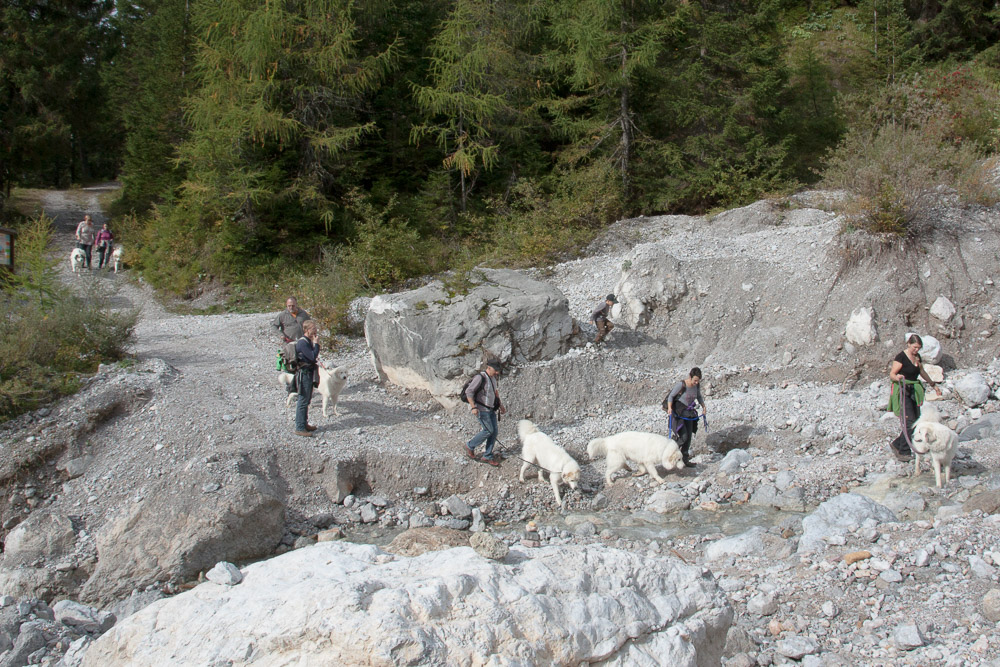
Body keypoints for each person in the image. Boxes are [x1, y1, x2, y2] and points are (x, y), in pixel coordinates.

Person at [888, 334, 941, 461]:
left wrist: (933, 385)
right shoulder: (901, 357)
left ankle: (897, 444)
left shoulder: (917, 357)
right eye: (914, 347)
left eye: (918, 348)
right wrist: (898, 378)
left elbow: (922, 372)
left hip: (913, 391)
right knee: (909, 421)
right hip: (903, 390)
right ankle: (903, 451)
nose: (916, 350)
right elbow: (892, 374)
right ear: (909, 344)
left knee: (916, 419)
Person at [464, 361, 507, 466]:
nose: (497, 372)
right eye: (495, 370)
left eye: (498, 370)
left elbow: (495, 392)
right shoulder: (480, 377)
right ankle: (470, 446)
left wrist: (500, 405)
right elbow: (469, 391)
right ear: (489, 367)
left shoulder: (493, 378)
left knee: (494, 432)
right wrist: (473, 407)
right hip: (481, 409)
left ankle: (487, 456)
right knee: (488, 430)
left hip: (491, 409)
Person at [663, 367, 707, 467]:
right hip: (679, 412)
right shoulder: (681, 385)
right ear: (690, 377)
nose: (696, 382)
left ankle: (685, 459)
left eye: (698, 381)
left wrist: (704, 407)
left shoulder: (697, 386)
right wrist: (669, 408)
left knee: (689, 437)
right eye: (695, 380)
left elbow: (699, 396)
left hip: (689, 413)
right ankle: (669, 451)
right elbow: (671, 396)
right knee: (684, 436)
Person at [293, 320, 321, 437]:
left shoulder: (307, 341)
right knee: (303, 400)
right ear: (306, 330)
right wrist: (317, 345)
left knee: (307, 399)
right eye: (313, 329)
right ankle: (300, 427)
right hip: (304, 374)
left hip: (309, 373)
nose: (315, 331)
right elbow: (312, 357)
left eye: (315, 328)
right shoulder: (302, 343)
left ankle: (304, 424)